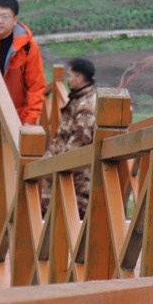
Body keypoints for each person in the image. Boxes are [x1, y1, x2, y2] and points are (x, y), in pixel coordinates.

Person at [41, 57, 97, 219]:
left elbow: (81, 138)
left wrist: (59, 163)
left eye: (70, 75)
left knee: (71, 216)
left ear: (79, 78)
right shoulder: (77, 99)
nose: (68, 79)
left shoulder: (86, 104)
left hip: (77, 175)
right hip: (63, 168)